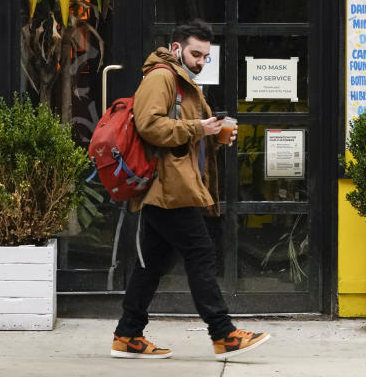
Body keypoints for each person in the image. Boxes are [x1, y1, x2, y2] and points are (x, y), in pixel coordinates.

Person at [111, 19, 271, 360]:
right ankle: (223, 333)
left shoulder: (183, 81)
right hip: (168, 187)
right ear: (175, 48)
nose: (200, 61)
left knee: (153, 263)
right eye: (195, 53)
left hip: (173, 185)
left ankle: (127, 334)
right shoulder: (161, 77)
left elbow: (187, 132)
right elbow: (150, 126)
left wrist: (215, 135)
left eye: (204, 56)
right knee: (201, 253)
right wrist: (198, 128)